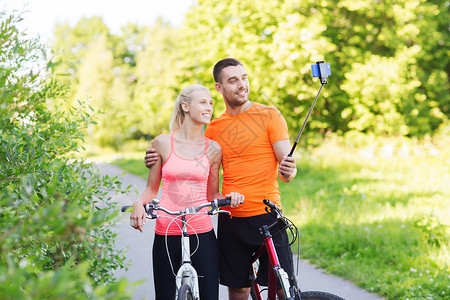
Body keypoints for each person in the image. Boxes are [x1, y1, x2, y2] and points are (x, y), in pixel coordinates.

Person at [145, 58, 297, 300]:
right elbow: (192, 163)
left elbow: (287, 169)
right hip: (230, 218)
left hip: (268, 215)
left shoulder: (270, 115)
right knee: (238, 290)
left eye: (244, 78)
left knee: (282, 287)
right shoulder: (213, 128)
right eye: (233, 80)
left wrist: (289, 169)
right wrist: (157, 158)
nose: (241, 84)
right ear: (219, 87)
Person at [130, 84, 244, 300]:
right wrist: (138, 203)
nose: (209, 107)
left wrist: (230, 198)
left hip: (202, 230)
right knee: (164, 296)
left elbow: (213, 196)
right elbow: (151, 189)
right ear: (185, 106)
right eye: (203, 102)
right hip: (166, 231)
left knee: (209, 296)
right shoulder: (162, 142)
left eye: (211, 103)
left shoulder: (213, 148)